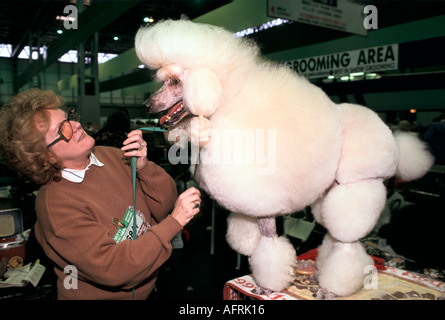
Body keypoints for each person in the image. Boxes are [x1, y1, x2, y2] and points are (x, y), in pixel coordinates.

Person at [0, 88, 201, 300]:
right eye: (63, 129)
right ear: (46, 156)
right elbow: (116, 268)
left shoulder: (113, 155)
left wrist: (144, 167)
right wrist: (175, 222)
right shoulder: (56, 206)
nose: (77, 125)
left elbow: (163, 205)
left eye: (70, 118)